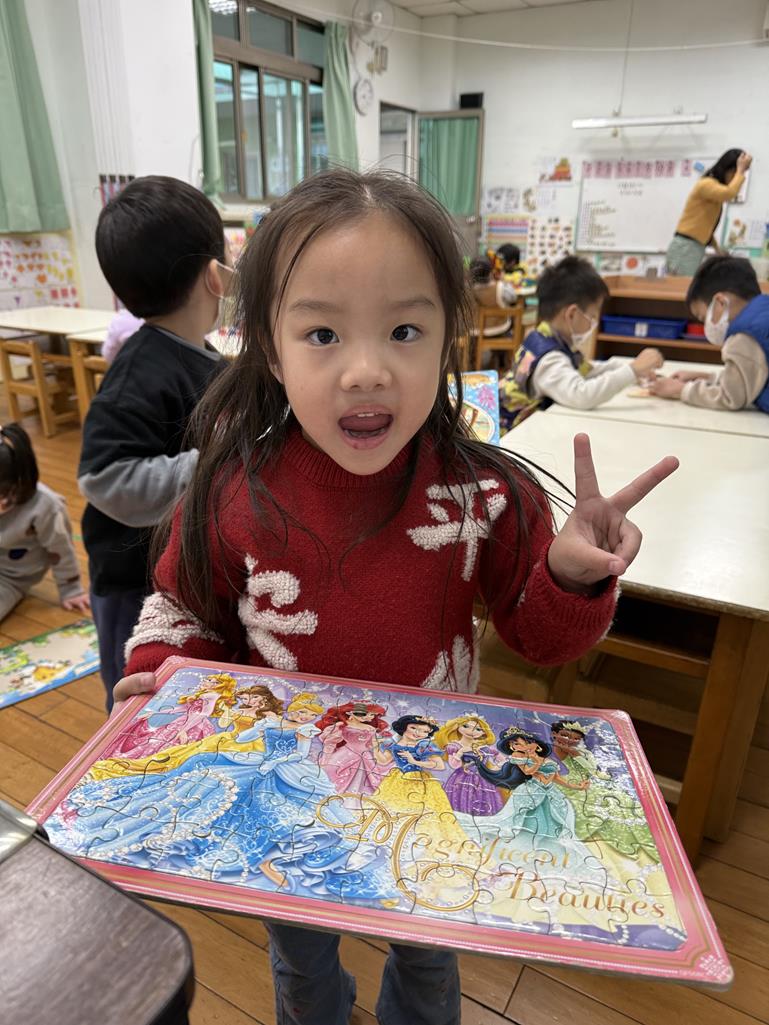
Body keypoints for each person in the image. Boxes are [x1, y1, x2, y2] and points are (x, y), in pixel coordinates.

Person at [110, 168, 677, 1025]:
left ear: (448, 336)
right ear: (269, 346)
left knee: (428, 955)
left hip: (438, 794)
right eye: (322, 333)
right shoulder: (231, 489)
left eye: (405, 330)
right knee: (303, 965)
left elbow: (541, 639)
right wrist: (166, 672)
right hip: (290, 794)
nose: (366, 371)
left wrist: (569, 575)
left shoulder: (484, 491)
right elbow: (182, 607)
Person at [78, 175, 229, 710]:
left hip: (176, 570)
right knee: (136, 694)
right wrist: (210, 467)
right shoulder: (139, 372)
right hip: (132, 580)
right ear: (216, 275)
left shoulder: (199, 354)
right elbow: (104, 474)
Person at [498, 255, 663, 431]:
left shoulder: (546, 337)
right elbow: (581, 395)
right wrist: (633, 370)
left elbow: (587, 370)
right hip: (514, 433)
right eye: (592, 316)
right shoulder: (550, 359)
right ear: (571, 314)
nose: (594, 323)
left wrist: (631, 368)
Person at [650, 255, 769, 411]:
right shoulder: (762, 313)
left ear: (720, 302)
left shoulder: (744, 335)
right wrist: (708, 378)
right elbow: (751, 377)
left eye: (703, 318)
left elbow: (730, 397)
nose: (705, 326)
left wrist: (680, 390)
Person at [0, 422, 89, 620]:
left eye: (6, 496)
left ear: (21, 480)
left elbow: (61, 550)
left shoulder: (45, 506)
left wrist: (71, 589)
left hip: (10, 579)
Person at [666, 150, 753, 276]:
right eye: (734, 173)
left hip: (691, 246)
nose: (736, 178)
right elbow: (729, 193)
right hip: (686, 247)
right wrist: (741, 170)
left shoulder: (712, 190)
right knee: (681, 286)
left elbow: (704, 227)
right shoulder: (706, 184)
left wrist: (718, 250)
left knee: (685, 285)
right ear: (728, 170)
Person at [469, 257, 517, 337]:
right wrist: (503, 280)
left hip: (473, 331)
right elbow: (513, 297)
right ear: (490, 272)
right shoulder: (500, 287)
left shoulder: (466, 290)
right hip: (497, 330)